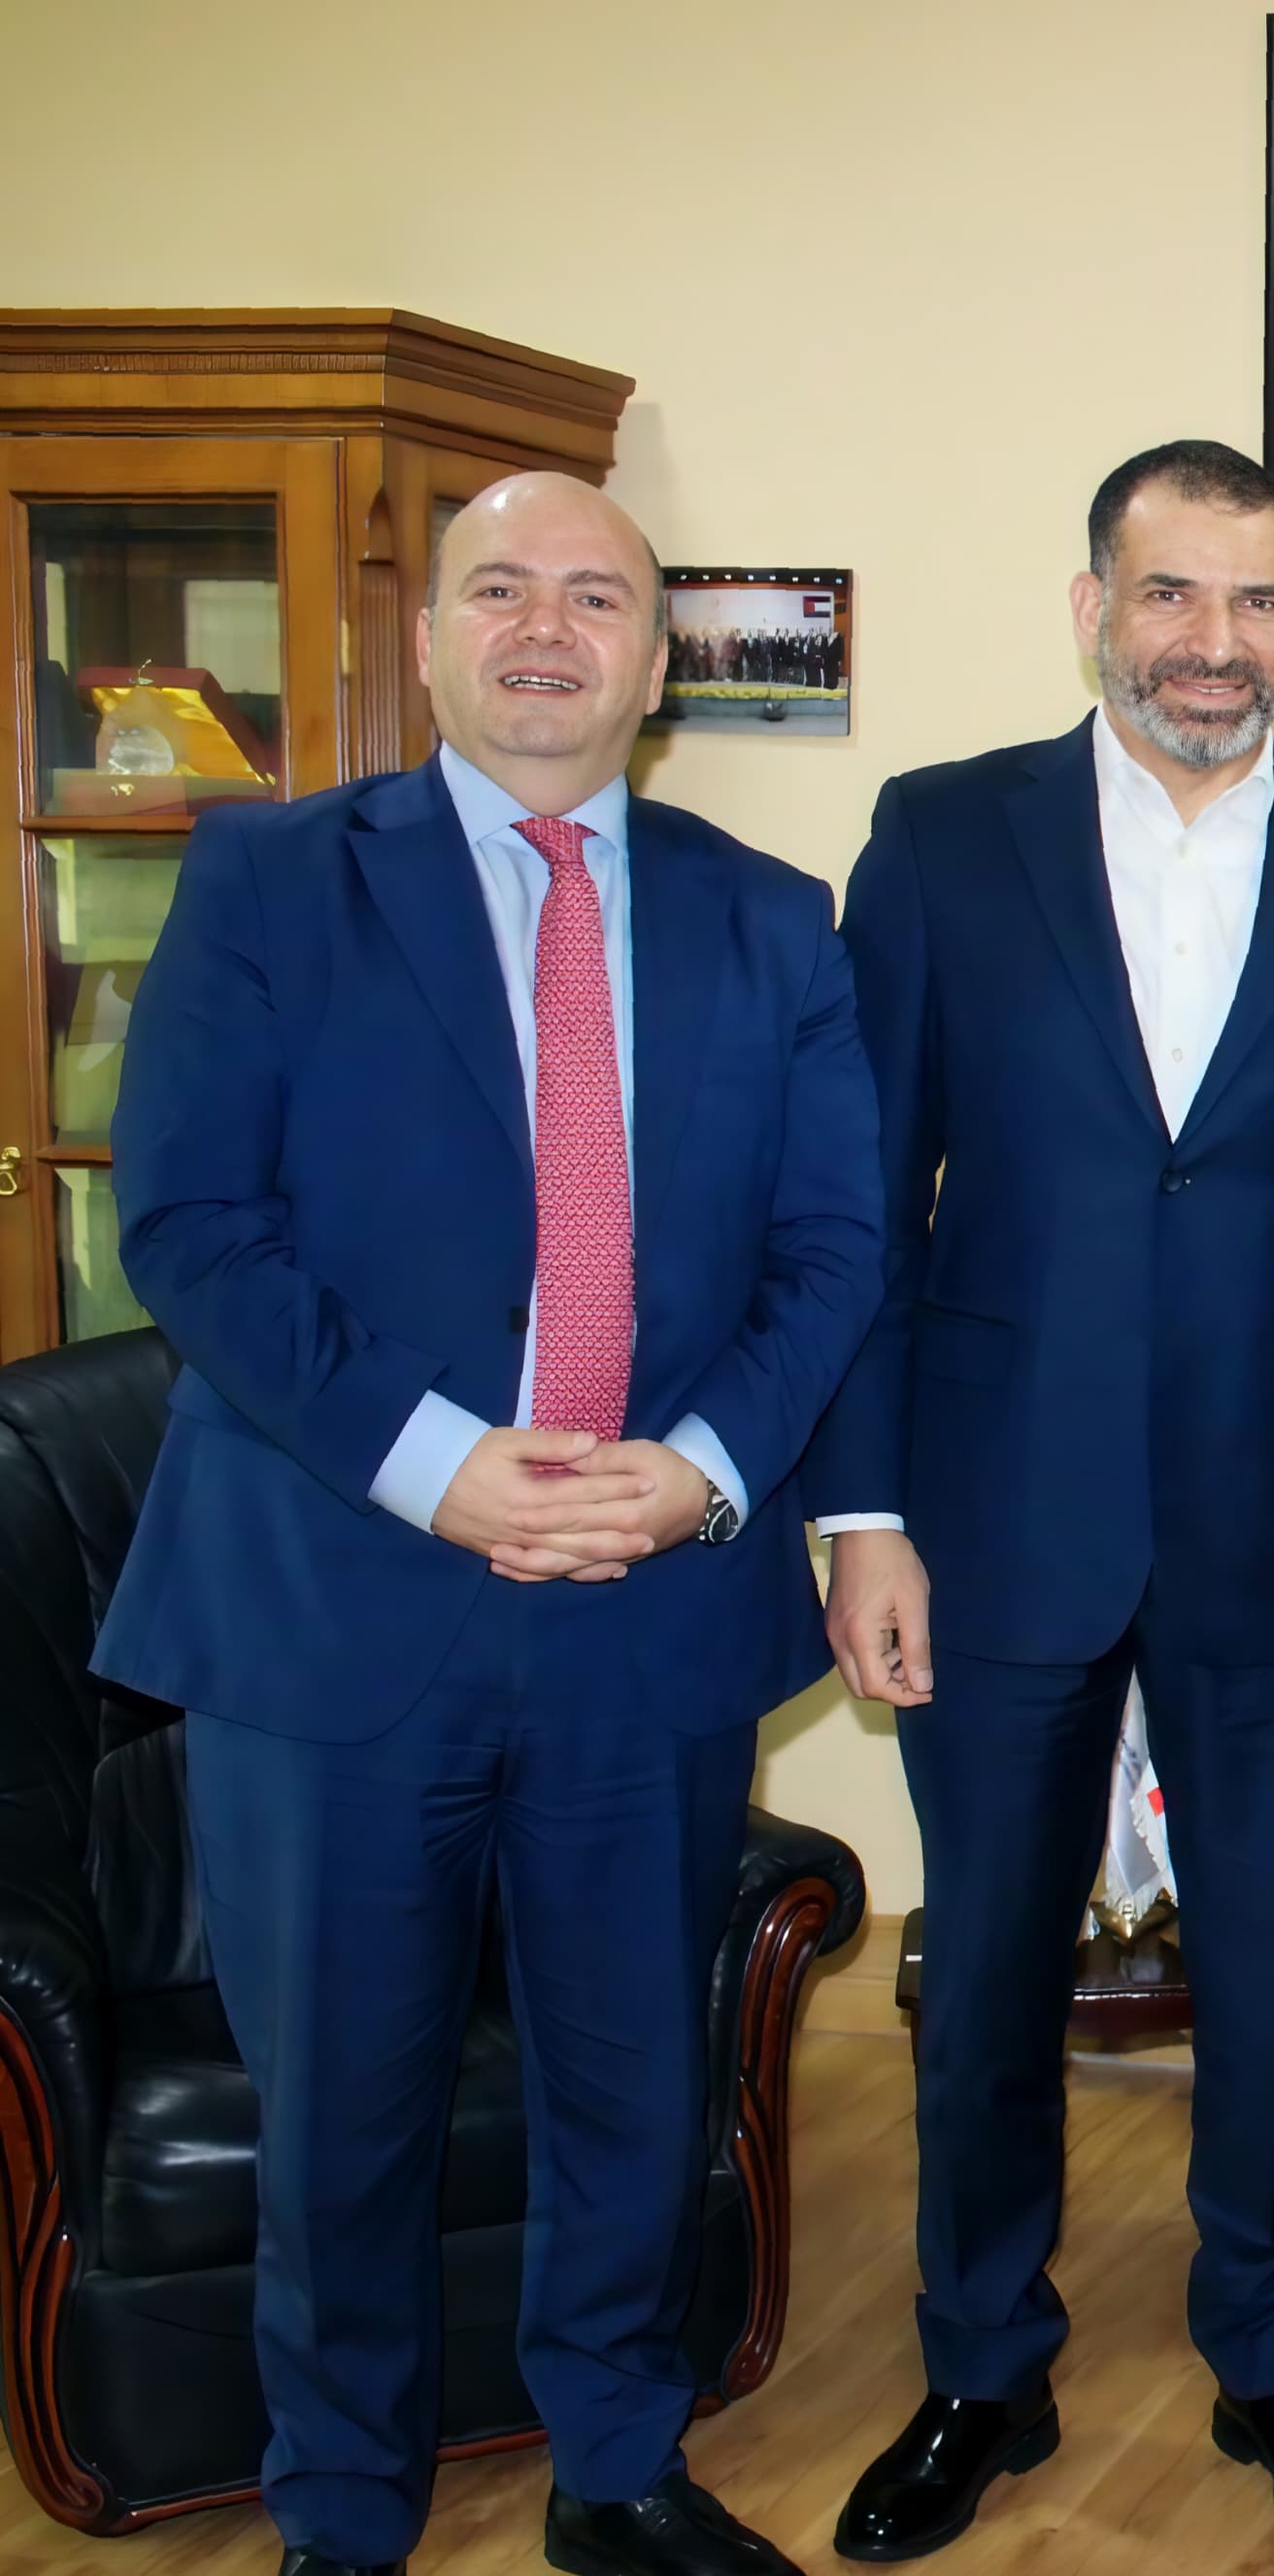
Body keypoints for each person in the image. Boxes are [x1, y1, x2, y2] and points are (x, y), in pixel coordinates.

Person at [95, 473, 883, 2576]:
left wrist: (704, 1465)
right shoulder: (270, 880)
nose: (548, 629)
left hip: (646, 1599)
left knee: (630, 2089)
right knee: (341, 2106)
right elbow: (189, 1222)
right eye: (501, 590)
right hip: (340, 1599)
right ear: (429, 638)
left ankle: (617, 2469)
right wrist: (432, 1456)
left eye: (597, 597)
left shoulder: (770, 917)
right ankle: (342, 2508)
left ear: (656, 660)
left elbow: (832, 1247)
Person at [813, 439, 1274, 2560]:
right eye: (1173, 594)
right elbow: (860, 1207)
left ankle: (1271, 2358)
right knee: (983, 1973)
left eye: (1259, 599)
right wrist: (859, 1508)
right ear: (1093, 611)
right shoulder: (942, 840)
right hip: (990, 1510)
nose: (1217, 643)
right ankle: (978, 2365)